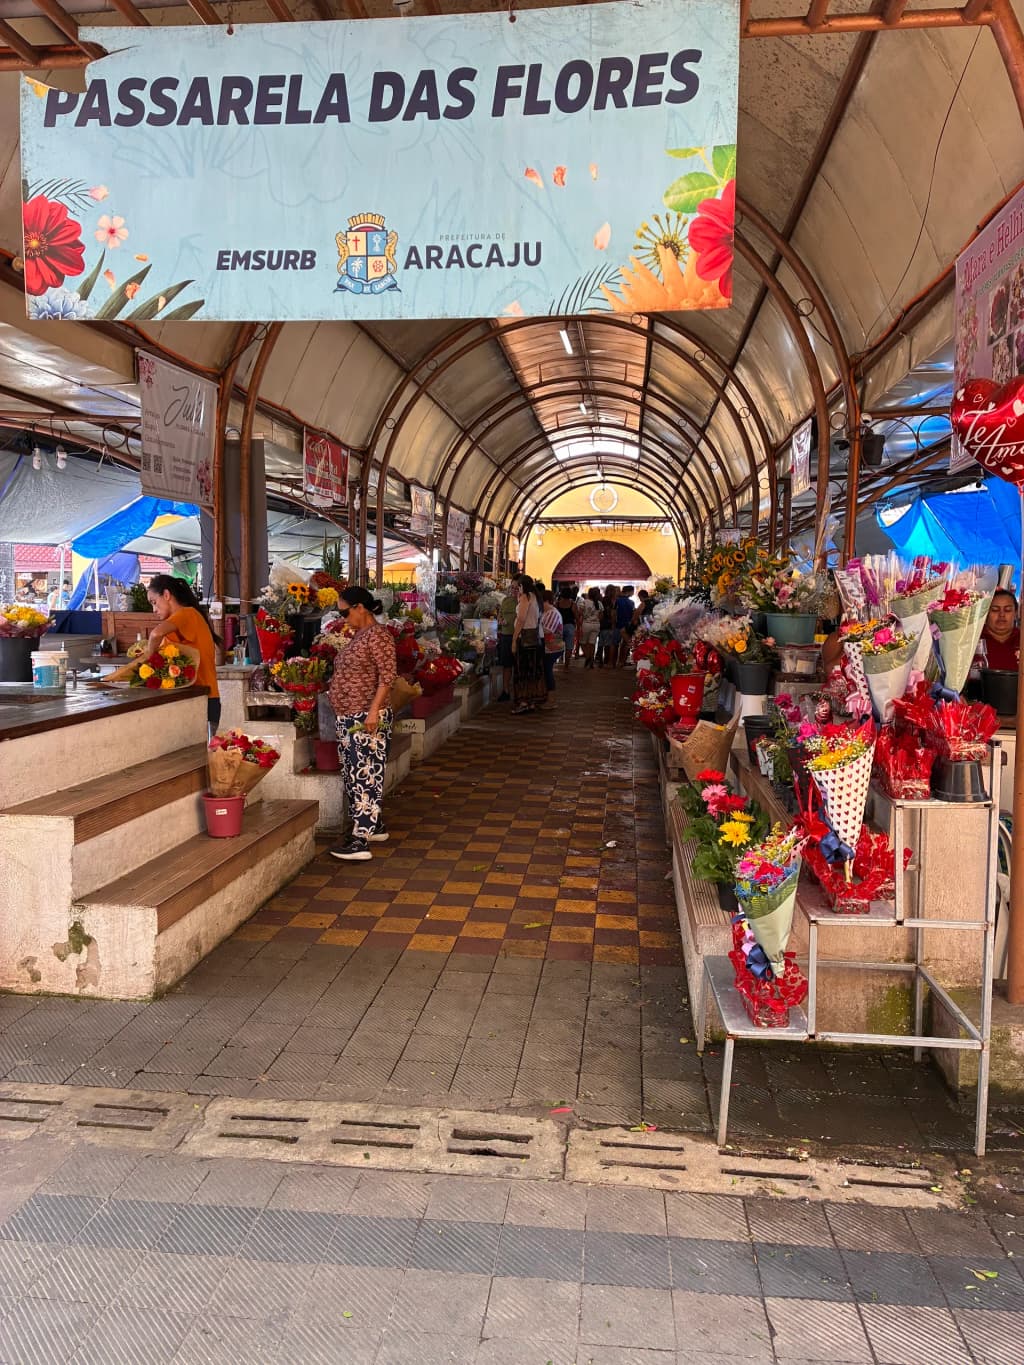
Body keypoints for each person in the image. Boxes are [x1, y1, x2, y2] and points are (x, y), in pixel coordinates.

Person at [328, 586, 397, 861]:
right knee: (353, 774)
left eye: (344, 612)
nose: (343, 618)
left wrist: (373, 711)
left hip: (365, 717)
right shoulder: (361, 635)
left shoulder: (378, 636)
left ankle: (360, 840)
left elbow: (388, 677)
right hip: (350, 715)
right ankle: (373, 825)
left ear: (360, 607)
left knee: (365, 773)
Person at [145, 575, 221, 730]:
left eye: (154, 602)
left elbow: (155, 634)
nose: (154, 610)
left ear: (166, 595)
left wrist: (147, 660)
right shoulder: (177, 623)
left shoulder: (187, 614)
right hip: (194, 698)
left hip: (203, 699)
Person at [512, 574, 546, 713]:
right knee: (533, 671)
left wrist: (514, 639)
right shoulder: (536, 597)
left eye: (517, 586)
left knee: (522, 670)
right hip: (535, 638)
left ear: (522, 586)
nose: (516, 589)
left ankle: (524, 702)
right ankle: (531, 701)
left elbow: (520, 619)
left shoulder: (526, 597)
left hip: (525, 638)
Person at [981, 588, 1020, 671]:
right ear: (986, 612)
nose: (1001, 614)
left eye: (1007, 610)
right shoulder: (974, 640)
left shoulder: (1021, 639)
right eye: (995, 610)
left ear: (1016, 613)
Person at [496, 578, 519, 701]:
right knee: (507, 665)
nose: (514, 590)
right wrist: (500, 620)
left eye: (517, 588)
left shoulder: (523, 602)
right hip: (506, 636)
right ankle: (505, 691)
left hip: (518, 636)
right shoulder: (505, 600)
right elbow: (499, 615)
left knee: (518, 666)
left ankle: (518, 691)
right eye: (512, 587)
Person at [540, 590, 564, 702]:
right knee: (545, 671)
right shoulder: (546, 612)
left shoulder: (552, 613)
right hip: (547, 647)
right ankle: (546, 696)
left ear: (547, 601)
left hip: (552, 648)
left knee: (547, 671)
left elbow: (547, 631)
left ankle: (551, 699)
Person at [579, 587, 602, 668]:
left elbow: (580, 613)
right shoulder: (599, 603)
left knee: (582, 642)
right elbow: (601, 616)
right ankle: (591, 662)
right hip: (596, 625)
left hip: (586, 624)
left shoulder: (584, 602)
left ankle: (588, 657)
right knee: (592, 644)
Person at [556, 586, 577, 670]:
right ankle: (566, 666)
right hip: (570, 626)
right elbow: (577, 616)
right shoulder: (573, 604)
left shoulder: (557, 603)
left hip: (559, 626)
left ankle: (559, 659)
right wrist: (578, 627)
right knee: (569, 647)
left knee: (558, 645)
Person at [615, 585, 636, 666]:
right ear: (630, 591)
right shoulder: (631, 602)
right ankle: (622, 661)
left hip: (617, 624)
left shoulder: (617, 600)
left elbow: (614, 613)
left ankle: (617, 661)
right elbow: (633, 614)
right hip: (627, 625)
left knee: (616, 644)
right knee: (626, 644)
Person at [598, 586, 617, 667]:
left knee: (601, 643)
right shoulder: (610, 601)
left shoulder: (602, 599)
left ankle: (600, 660)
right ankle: (606, 660)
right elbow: (611, 613)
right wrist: (613, 624)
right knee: (607, 644)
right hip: (608, 624)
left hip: (601, 624)